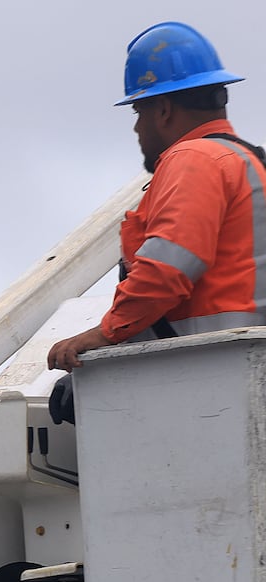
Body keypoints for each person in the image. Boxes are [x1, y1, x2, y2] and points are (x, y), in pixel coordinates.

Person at [48, 21, 266, 382]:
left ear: (163, 110)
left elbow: (167, 270)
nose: (137, 128)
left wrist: (105, 334)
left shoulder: (194, 159)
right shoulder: (251, 161)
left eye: (139, 112)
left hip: (207, 373)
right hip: (238, 370)